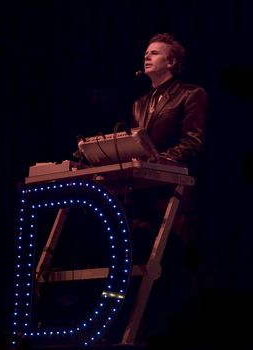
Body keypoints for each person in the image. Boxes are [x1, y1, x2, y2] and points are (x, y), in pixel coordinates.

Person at [127, 32, 208, 342]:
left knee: (174, 272)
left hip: (174, 197)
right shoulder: (138, 103)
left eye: (155, 53)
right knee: (141, 273)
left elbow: (192, 142)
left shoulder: (192, 94)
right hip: (144, 199)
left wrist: (155, 162)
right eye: (146, 52)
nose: (147, 57)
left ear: (171, 62)